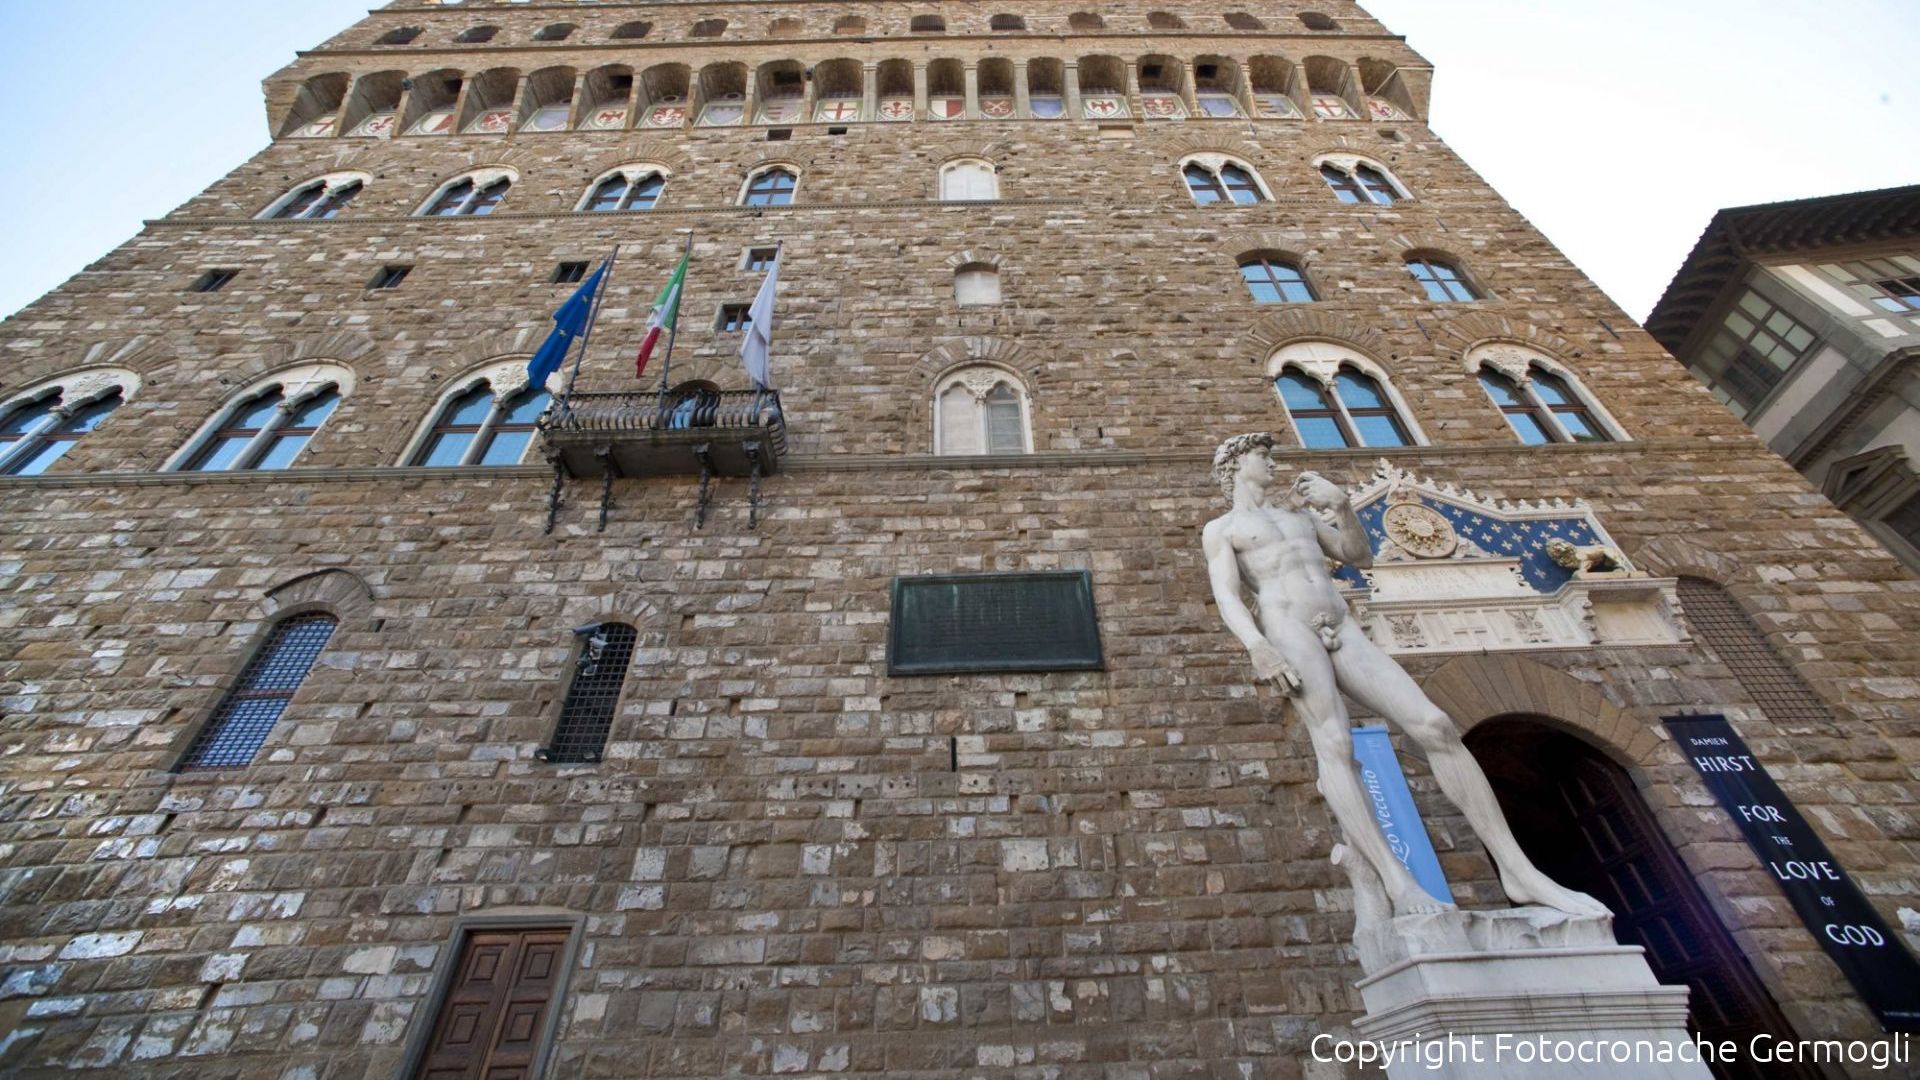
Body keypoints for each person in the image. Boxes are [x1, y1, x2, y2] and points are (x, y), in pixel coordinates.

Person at [1201, 432, 1608, 918]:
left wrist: (1343, 507)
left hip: (1341, 623)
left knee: (1434, 725)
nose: (1272, 463)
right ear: (1236, 464)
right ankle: (1398, 884)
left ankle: (1518, 870)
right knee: (1336, 745)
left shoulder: (1300, 516)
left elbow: (1358, 556)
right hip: (1288, 627)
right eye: (1262, 456)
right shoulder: (1222, 529)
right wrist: (1258, 647)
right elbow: (1227, 595)